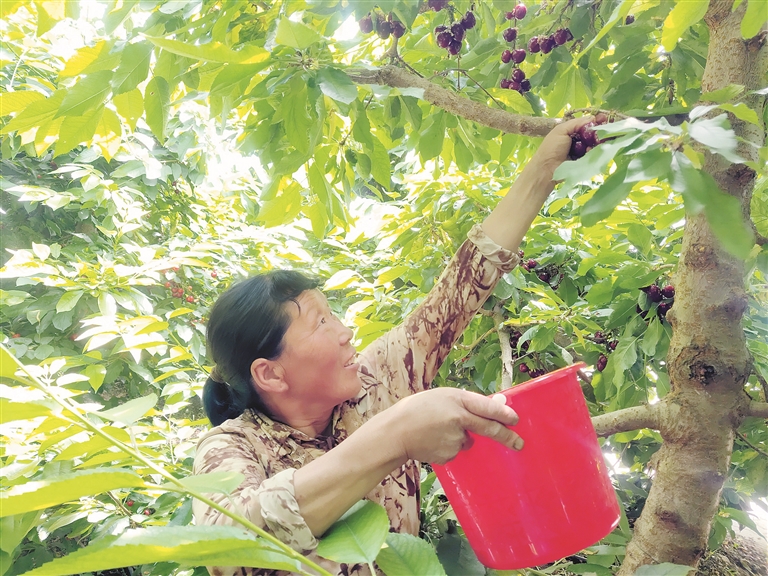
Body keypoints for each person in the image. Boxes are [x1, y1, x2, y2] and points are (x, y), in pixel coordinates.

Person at [192, 116, 594, 576]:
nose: (344, 332)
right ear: (270, 373)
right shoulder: (230, 448)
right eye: (320, 323)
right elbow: (231, 549)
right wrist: (397, 435)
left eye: (333, 314)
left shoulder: (375, 380)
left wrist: (544, 167)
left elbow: (459, 289)